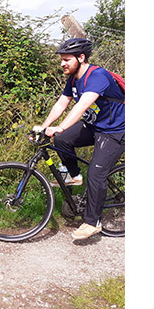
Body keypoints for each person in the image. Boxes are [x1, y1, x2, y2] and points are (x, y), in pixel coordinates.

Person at [36, 38, 125, 240]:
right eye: (61, 59)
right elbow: (61, 104)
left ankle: (93, 222)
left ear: (81, 57)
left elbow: (81, 106)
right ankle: (75, 176)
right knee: (61, 139)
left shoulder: (98, 76)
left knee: (96, 173)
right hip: (94, 125)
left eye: (66, 59)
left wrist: (59, 126)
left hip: (114, 131)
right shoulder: (74, 79)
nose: (62, 63)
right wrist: (43, 127)